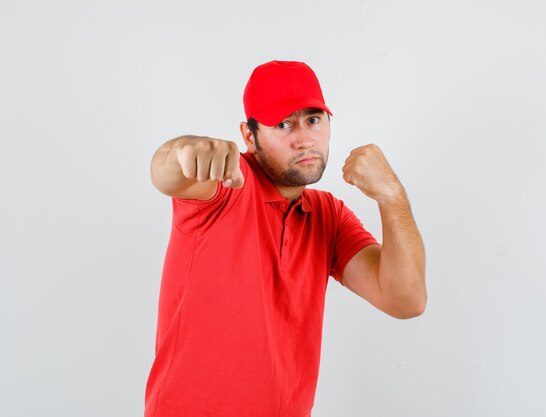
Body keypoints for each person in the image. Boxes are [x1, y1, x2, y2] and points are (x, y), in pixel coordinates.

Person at [144, 60, 427, 417]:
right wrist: (186, 151)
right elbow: (168, 174)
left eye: (313, 119)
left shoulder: (329, 215)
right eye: (283, 124)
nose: (305, 138)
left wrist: (391, 194)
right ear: (249, 136)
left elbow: (406, 300)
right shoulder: (229, 184)